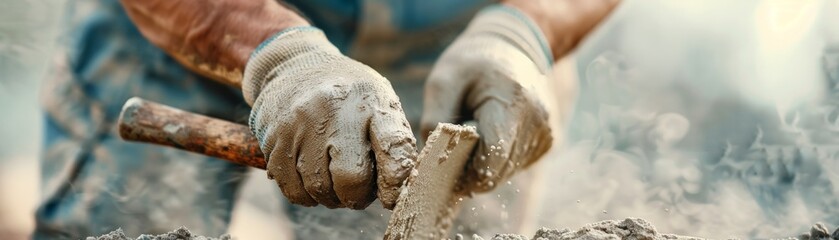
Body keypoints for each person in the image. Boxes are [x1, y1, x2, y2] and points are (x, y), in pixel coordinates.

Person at [36, 0, 619, 238]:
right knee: (133, 221)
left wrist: (526, 30)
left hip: (459, 41)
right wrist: (279, 55)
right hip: (191, 24)